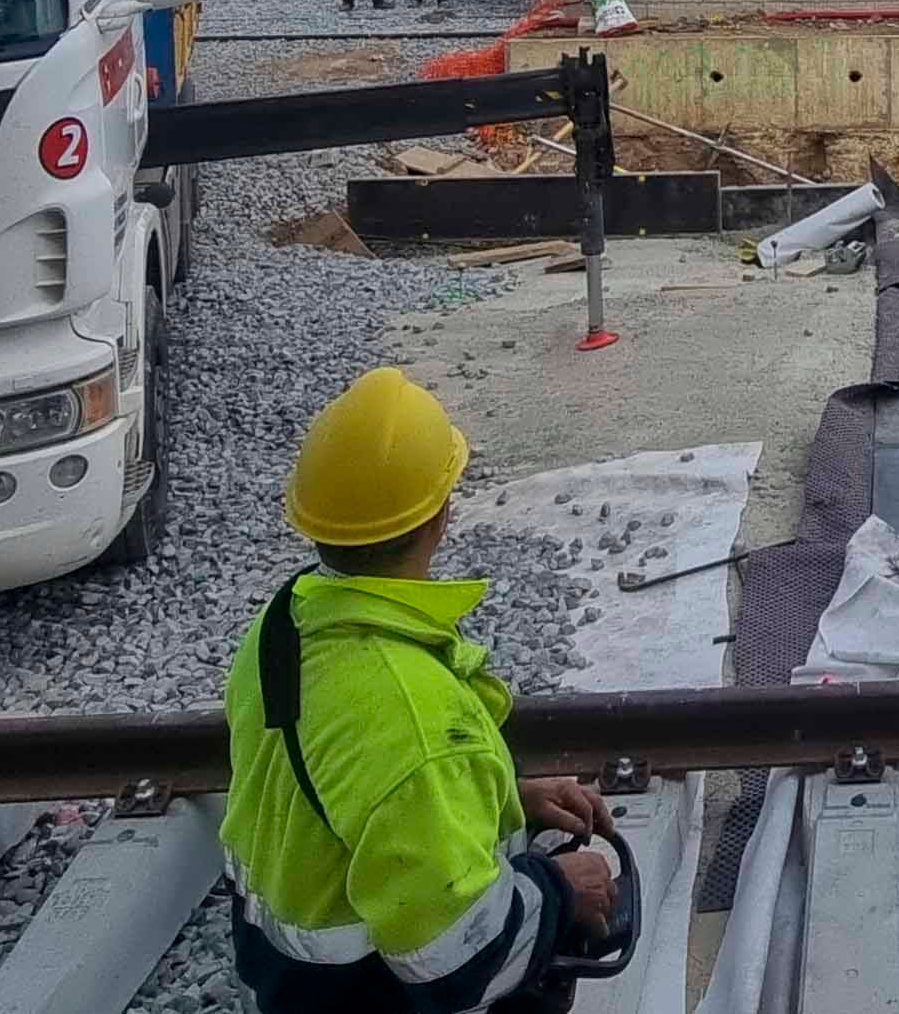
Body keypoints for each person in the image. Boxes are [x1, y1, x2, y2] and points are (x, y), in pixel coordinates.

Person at [224, 368, 619, 1010]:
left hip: (292, 981)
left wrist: (503, 801)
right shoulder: (413, 715)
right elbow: (458, 964)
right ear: (440, 516)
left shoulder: (284, 623)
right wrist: (561, 889)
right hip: (366, 997)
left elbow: (350, 788)